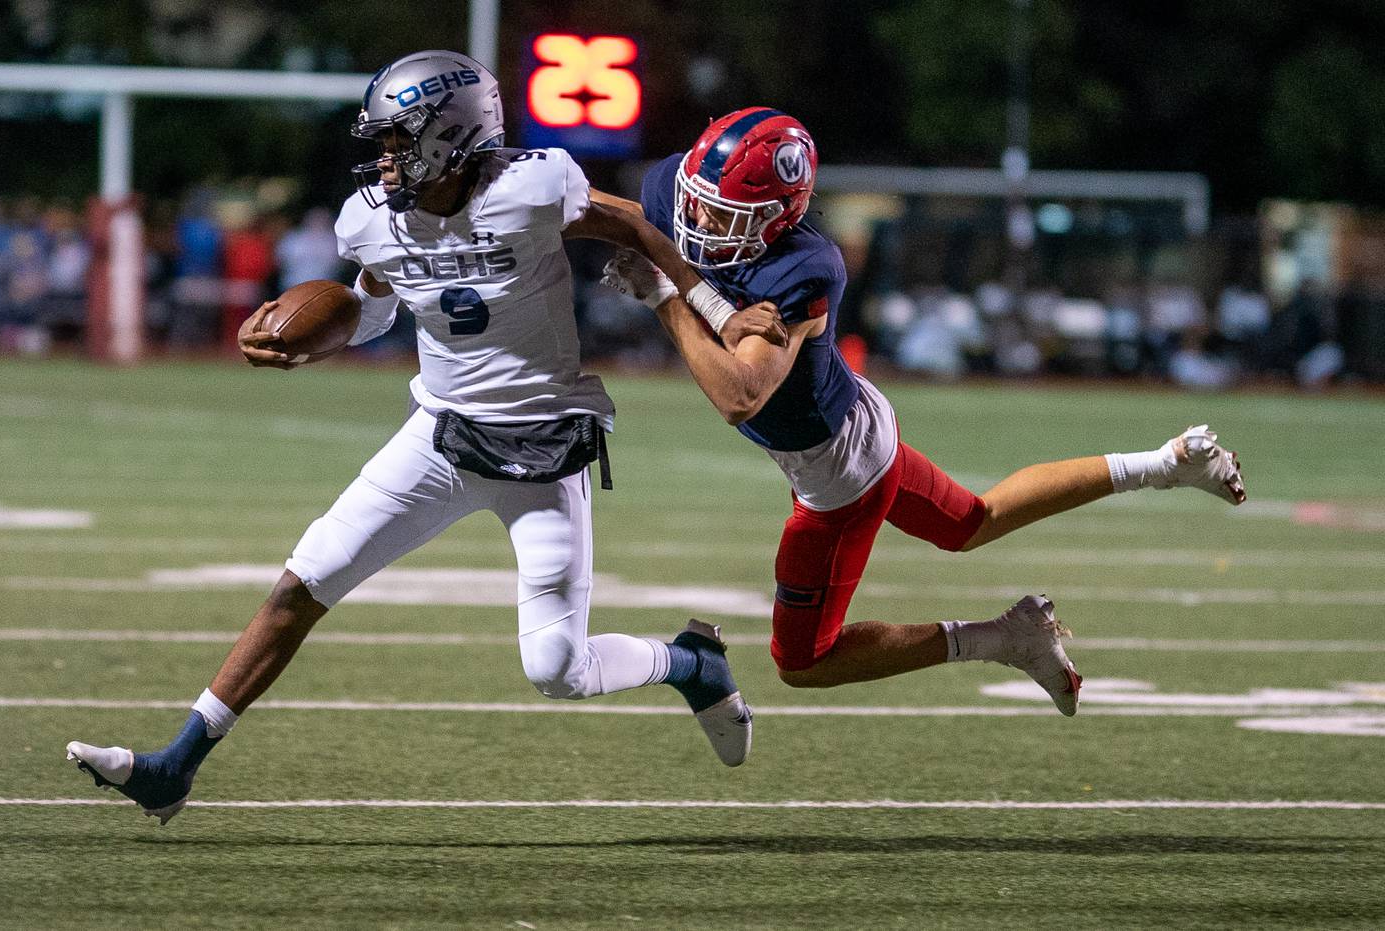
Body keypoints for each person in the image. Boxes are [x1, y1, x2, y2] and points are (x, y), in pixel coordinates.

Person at [66, 52, 785, 823]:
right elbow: (373, 307)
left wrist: (715, 310)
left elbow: (637, 227)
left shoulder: (535, 186)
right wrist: (305, 333)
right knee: (301, 584)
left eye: (398, 140)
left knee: (557, 668)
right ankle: (177, 763)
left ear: (452, 134)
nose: (383, 158)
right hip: (439, 436)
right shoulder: (372, 217)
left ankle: (689, 661)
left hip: (540, 446)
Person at [605, 107, 1246, 711]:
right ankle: (1164, 464)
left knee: (802, 661)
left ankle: (997, 640)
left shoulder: (804, 268)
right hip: (857, 418)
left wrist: (665, 298)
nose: (698, 221)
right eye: (698, 200)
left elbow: (739, 396)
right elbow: (632, 218)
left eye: (724, 214)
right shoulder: (682, 188)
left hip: (837, 474)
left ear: (777, 218)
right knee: (971, 522)